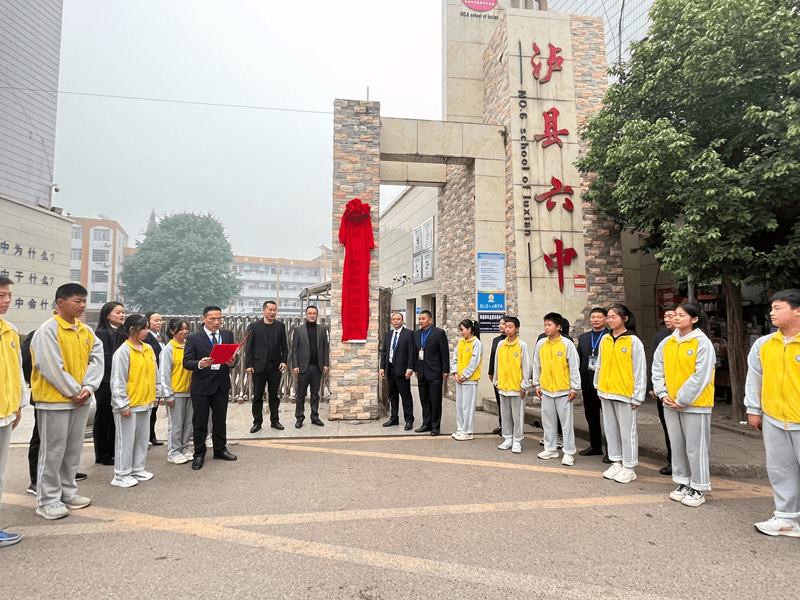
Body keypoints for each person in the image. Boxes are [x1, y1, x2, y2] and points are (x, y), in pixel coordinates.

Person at [31, 283, 103, 519]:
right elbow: (49, 365)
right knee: (52, 451)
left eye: (84, 301)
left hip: (80, 399)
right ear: (60, 303)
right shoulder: (48, 330)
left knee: (73, 449)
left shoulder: (86, 331)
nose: (82, 305)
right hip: (54, 400)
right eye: (77, 301)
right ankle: (47, 500)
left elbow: (96, 360)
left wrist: (89, 388)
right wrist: (74, 390)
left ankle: (68, 492)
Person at [745, 288, 800, 537]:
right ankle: (786, 518)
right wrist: (754, 409)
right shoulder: (764, 344)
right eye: (772, 308)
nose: (772, 313)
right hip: (775, 419)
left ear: (797, 310)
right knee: (780, 470)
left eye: (778, 308)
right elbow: (754, 379)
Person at [652, 302, 715, 507]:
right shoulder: (667, 343)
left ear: (694, 319)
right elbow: (657, 369)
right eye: (674, 315)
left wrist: (682, 399)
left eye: (682, 315)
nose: (676, 318)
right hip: (670, 403)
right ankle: (683, 482)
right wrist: (662, 394)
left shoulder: (702, 343)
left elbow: (701, 376)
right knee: (677, 445)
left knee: (695, 447)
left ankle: (698, 487)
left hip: (695, 404)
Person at [593, 304, 646, 484]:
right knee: (611, 430)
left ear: (624, 319)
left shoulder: (633, 341)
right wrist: (598, 386)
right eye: (608, 316)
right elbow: (599, 365)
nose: (610, 320)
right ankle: (616, 462)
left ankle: (629, 467)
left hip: (625, 394)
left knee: (627, 432)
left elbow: (639, 369)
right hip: (607, 393)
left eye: (614, 317)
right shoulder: (605, 339)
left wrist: (638, 395)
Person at [183, 306, 237, 470]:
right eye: (212, 319)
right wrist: (200, 363)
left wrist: (233, 362)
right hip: (201, 386)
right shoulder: (194, 338)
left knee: (220, 420)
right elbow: (187, 362)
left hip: (221, 384)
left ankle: (220, 450)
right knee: (200, 422)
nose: (216, 322)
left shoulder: (227, 334)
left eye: (219, 319)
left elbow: (235, 355)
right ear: (204, 319)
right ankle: (199, 454)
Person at [110, 315, 160, 487]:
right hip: (129, 404)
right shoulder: (123, 352)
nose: (147, 331)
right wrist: (122, 404)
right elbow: (118, 380)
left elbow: (155, 373)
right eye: (144, 328)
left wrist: (156, 394)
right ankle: (121, 474)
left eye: (147, 328)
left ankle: (137, 468)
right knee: (126, 440)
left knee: (141, 439)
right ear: (132, 330)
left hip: (146, 402)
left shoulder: (148, 349)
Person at [0, 276, 28, 545]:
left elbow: (17, 371)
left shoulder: (9, 330)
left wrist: (19, 403)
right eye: (1, 296)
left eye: (8, 295)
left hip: (5, 413)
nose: (7, 300)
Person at [533, 312, 580, 465]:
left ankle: (568, 452)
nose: (546, 328)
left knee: (566, 424)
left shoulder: (567, 344)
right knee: (548, 422)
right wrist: (537, 384)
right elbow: (536, 365)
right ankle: (550, 449)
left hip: (563, 391)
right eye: (545, 325)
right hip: (546, 390)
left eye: (549, 325)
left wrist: (574, 388)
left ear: (558, 327)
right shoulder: (541, 343)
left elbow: (574, 367)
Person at [244, 300, 288, 432]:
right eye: (270, 310)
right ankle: (257, 422)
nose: (272, 312)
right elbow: (249, 347)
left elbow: (284, 346)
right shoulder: (254, 326)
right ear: (263, 310)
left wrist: (284, 361)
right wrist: (249, 364)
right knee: (257, 396)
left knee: (274, 396)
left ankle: (275, 421)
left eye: (274, 310)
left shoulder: (280, 326)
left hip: (275, 366)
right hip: (258, 366)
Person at [493, 316, 532, 454]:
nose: (507, 329)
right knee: (505, 414)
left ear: (517, 329)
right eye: (505, 326)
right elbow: (497, 364)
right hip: (503, 387)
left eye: (510, 327)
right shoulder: (500, 344)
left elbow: (526, 367)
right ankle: (507, 438)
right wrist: (496, 381)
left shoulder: (522, 345)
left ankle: (517, 440)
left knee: (518, 415)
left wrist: (524, 385)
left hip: (516, 388)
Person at [93, 302, 125, 465]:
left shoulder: (122, 333)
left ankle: (113, 450)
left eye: (123, 312)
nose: (122, 314)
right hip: (105, 381)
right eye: (118, 312)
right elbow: (105, 359)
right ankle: (102, 454)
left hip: (118, 380)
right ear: (107, 315)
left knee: (115, 417)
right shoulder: (102, 333)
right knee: (104, 416)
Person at [576, 307, 608, 460]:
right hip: (587, 382)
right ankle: (595, 446)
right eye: (593, 317)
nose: (595, 320)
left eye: (599, 317)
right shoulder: (583, 337)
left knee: (608, 418)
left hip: (605, 383)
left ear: (606, 319)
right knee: (591, 416)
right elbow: (579, 359)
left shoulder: (610, 336)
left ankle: (611, 450)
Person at [160, 319, 193, 465]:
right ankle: (173, 452)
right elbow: (164, 374)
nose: (184, 332)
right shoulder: (168, 349)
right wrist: (168, 394)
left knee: (188, 423)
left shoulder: (189, 346)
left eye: (186, 328)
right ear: (172, 331)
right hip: (176, 392)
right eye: (181, 329)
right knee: (176, 424)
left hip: (190, 391)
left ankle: (184, 448)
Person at [649, 304, 677, 475]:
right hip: (663, 389)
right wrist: (653, 386)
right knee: (668, 428)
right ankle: (672, 461)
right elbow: (655, 363)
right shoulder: (660, 337)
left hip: (683, 391)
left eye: (671, 316)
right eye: (665, 316)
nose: (667, 319)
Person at [291, 305, 329, 428]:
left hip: (316, 367)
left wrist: (326, 364)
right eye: (309, 313)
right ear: (306, 315)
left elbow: (325, 348)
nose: (312, 315)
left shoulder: (322, 329)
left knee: (315, 394)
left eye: (314, 313)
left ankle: (315, 417)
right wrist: (295, 365)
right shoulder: (298, 330)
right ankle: (299, 418)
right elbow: (294, 349)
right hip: (302, 367)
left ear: (317, 315)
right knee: (300, 394)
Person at [413, 310, 449, 436]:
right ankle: (426, 423)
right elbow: (415, 353)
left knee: (435, 400)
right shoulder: (417, 334)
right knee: (424, 400)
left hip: (435, 372)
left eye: (423, 318)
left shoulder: (439, 333)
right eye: (419, 319)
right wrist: (415, 368)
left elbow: (444, 353)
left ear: (430, 320)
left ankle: (435, 426)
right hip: (421, 372)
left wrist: (446, 370)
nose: (421, 321)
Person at [380, 312, 415, 429]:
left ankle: (409, 420)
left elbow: (411, 352)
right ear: (391, 321)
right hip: (390, 369)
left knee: (405, 396)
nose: (396, 321)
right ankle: (394, 418)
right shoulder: (388, 335)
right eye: (394, 319)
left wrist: (410, 368)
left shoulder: (409, 334)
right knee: (392, 395)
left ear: (402, 320)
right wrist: (382, 367)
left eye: (398, 319)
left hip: (403, 370)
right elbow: (384, 352)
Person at [450, 319, 482, 441]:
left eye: (462, 330)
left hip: (470, 380)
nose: (461, 332)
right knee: (460, 405)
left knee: (467, 406)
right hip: (460, 379)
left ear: (470, 330)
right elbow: (455, 359)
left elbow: (474, 362)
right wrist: (455, 373)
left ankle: (468, 431)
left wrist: (465, 375)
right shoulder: (461, 342)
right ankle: (460, 428)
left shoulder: (476, 343)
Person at [144, 311, 165, 446]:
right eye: (155, 320)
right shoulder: (146, 338)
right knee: (148, 410)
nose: (159, 323)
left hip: (160, 375)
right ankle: (144, 438)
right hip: (150, 376)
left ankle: (151, 435)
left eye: (160, 320)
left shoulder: (159, 337)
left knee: (154, 410)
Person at [487, 317, 507, 436]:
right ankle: (502, 424)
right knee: (500, 402)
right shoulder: (496, 340)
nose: (501, 326)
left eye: (504, 324)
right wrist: (491, 372)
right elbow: (492, 357)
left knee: (507, 404)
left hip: (508, 376)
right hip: (497, 375)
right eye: (500, 324)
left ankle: (509, 427)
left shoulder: (515, 341)